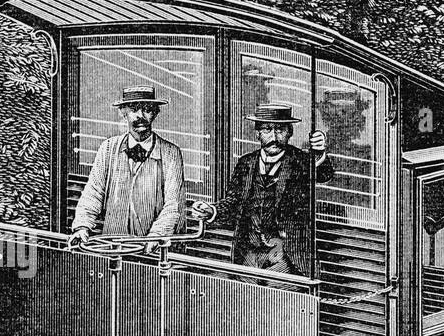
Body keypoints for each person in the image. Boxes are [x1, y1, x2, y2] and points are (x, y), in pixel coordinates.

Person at [214, 103, 334, 278]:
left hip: (287, 258)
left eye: (280, 130)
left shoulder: (301, 161)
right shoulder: (246, 163)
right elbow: (233, 201)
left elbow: (323, 173)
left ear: (290, 132)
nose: (274, 136)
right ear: (257, 134)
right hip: (249, 255)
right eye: (267, 130)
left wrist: (320, 153)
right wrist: (213, 210)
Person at [68, 85, 187, 246]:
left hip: (152, 249)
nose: (140, 116)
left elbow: (173, 205)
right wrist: (82, 227)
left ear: (155, 113)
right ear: (123, 113)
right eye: (133, 110)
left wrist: (155, 237)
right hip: (112, 246)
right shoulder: (108, 148)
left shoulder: (170, 153)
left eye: (147, 109)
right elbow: (93, 193)